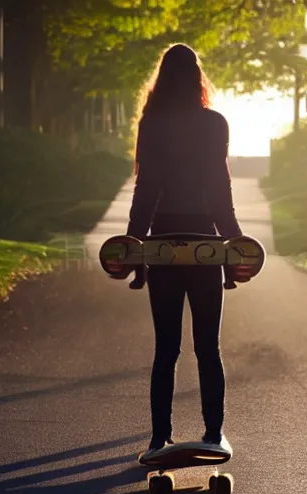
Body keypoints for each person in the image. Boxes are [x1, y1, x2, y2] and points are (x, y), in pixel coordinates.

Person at [126, 43, 248, 456]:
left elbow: (146, 190)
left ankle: (160, 437)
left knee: (167, 349)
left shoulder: (152, 123)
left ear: (161, 78)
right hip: (204, 245)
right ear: (198, 77)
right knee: (207, 348)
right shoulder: (215, 124)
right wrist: (233, 246)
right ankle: (214, 435)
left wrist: (135, 249)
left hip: (161, 243)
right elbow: (220, 189)